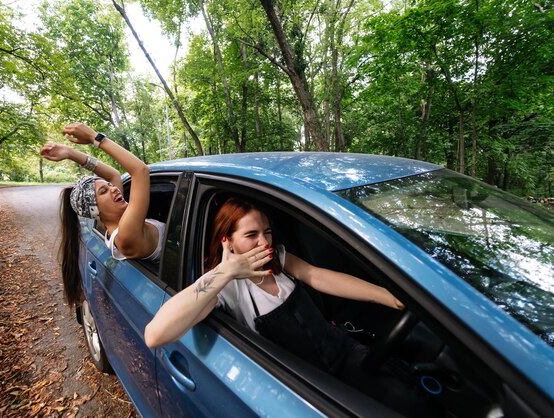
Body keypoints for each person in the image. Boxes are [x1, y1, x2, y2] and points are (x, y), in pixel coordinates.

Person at [145, 197, 438, 416]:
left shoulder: (278, 260)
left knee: (412, 403)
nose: (265, 242)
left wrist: (386, 295)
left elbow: (316, 275)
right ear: (228, 242)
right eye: (251, 235)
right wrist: (226, 272)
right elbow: (155, 335)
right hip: (308, 385)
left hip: (345, 354)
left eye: (267, 232)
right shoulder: (226, 289)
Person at [41, 122, 165, 309]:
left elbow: (114, 174)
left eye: (110, 186)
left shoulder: (118, 221)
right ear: (95, 211)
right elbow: (140, 171)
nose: (114, 188)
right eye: (104, 191)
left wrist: (70, 153)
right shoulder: (126, 236)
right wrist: (94, 137)